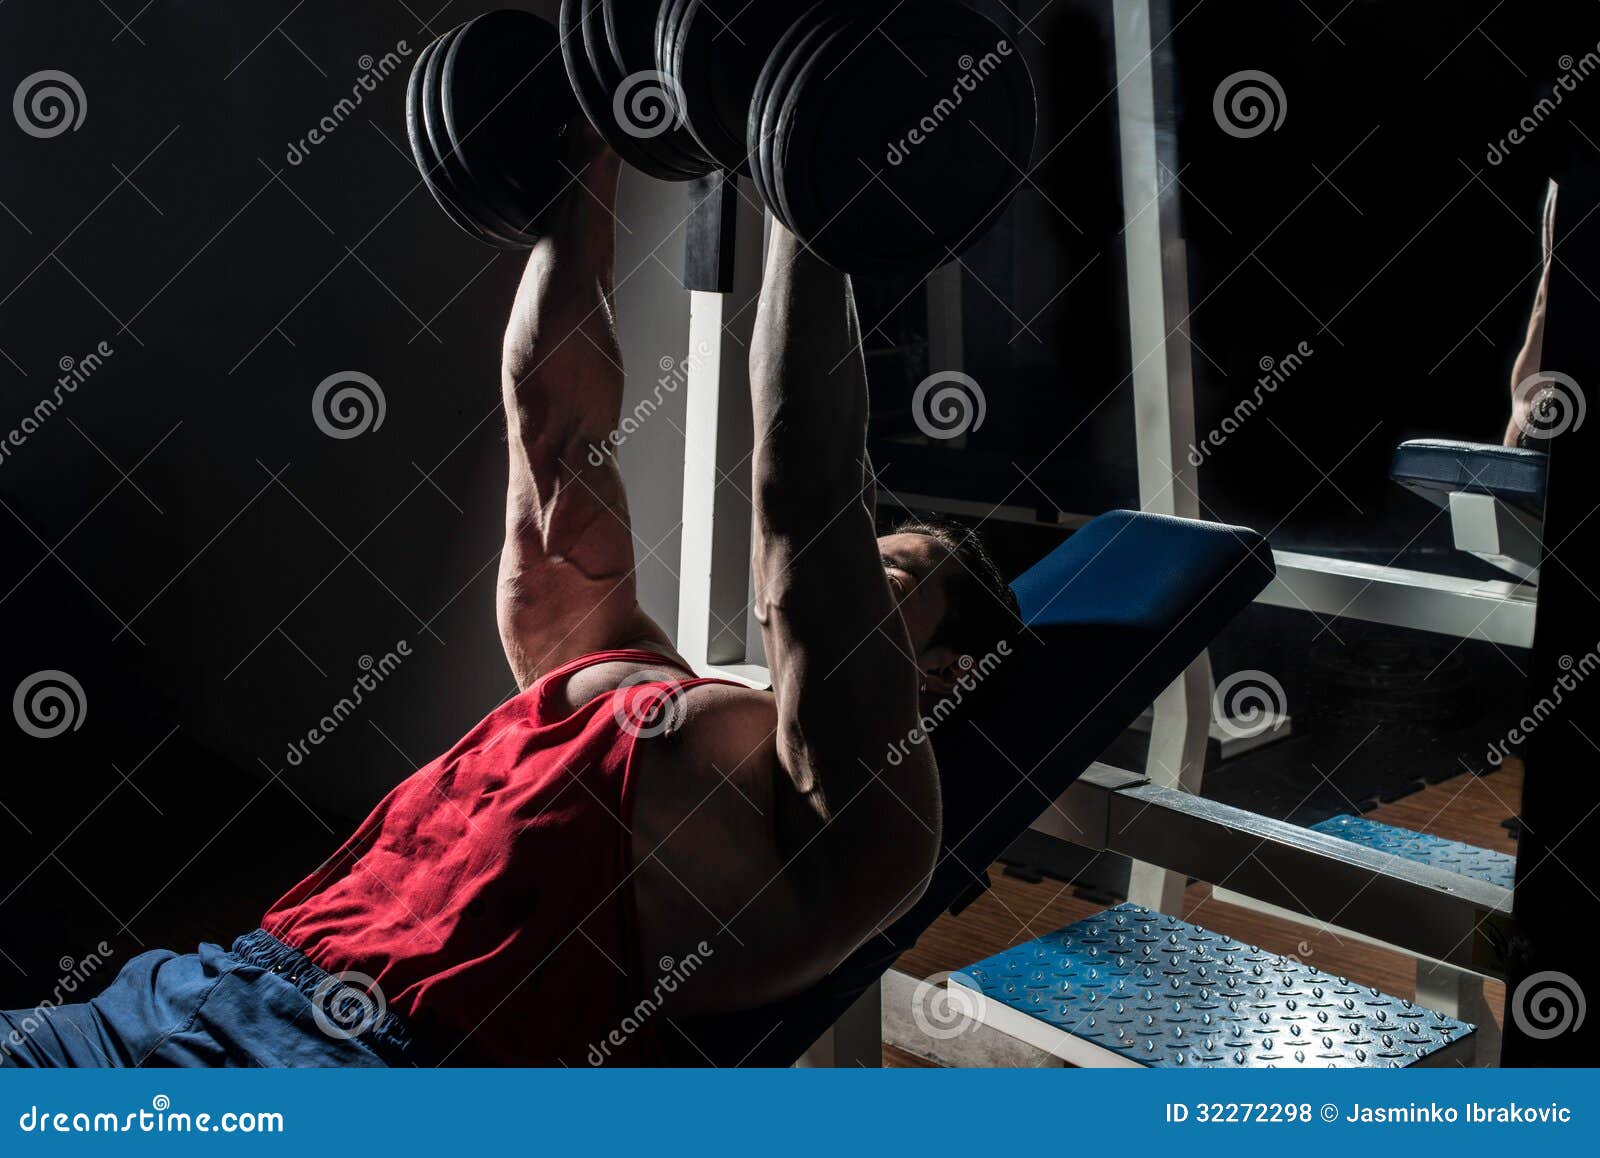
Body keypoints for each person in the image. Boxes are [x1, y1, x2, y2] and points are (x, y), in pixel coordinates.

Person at [0, 123, 1019, 1068]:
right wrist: (584, 159)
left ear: (946, 671)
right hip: (187, 992)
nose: (835, 580)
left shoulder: (863, 831)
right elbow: (552, 433)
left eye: (885, 571)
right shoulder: (615, 658)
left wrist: (812, 177)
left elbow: (806, 499)